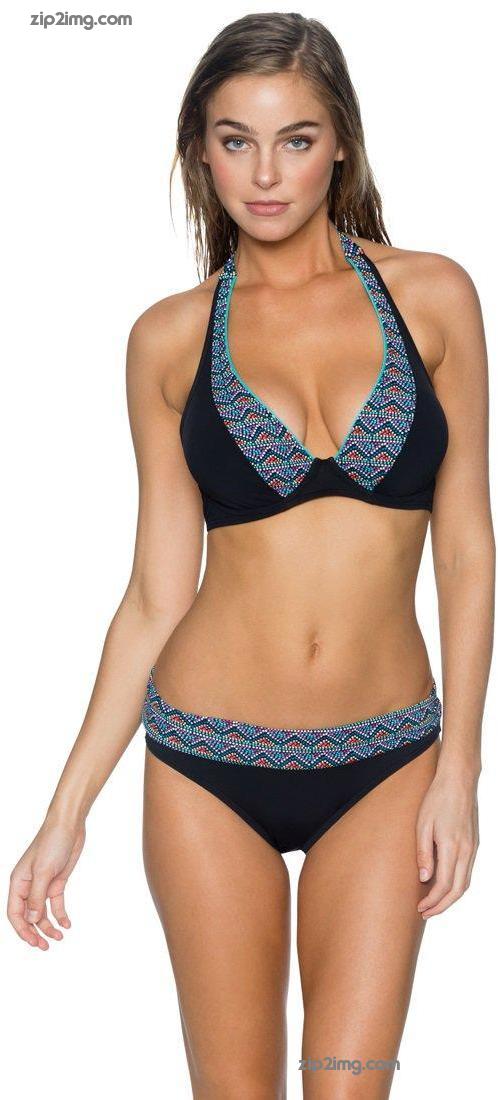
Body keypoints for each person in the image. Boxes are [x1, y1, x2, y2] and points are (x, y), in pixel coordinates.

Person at [8, 12, 494, 1100]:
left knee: (350, 1084)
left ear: (341, 145)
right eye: (236, 141)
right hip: (205, 763)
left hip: (388, 760)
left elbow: (466, 547)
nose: (265, 175)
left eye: (295, 139)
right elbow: (154, 594)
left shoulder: (434, 298)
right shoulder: (169, 338)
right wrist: (65, 811)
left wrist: (461, 766)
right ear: (201, 152)